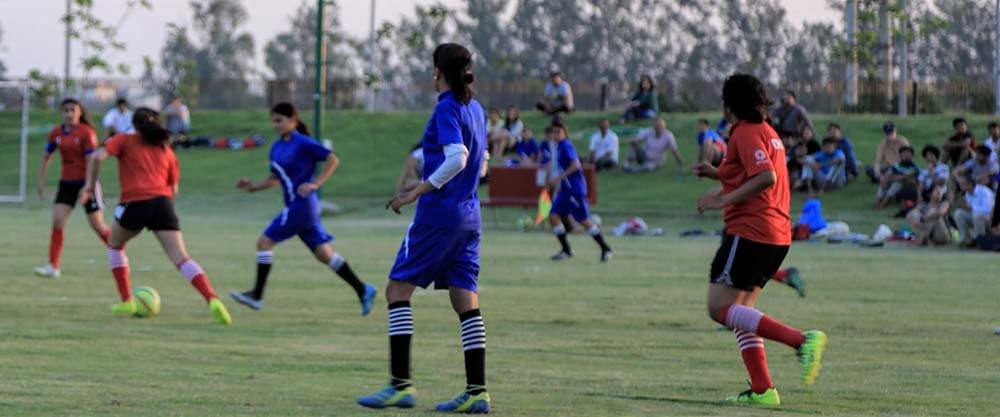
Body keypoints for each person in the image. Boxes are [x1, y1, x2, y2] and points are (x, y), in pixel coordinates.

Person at [357, 43, 491, 413]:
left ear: (439, 72)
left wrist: (418, 189)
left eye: (432, 69)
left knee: (397, 290)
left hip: (438, 218)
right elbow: (483, 161)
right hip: (469, 218)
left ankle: (400, 385)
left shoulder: (447, 107)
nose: (430, 75)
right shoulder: (476, 109)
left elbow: (459, 158)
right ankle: (477, 391)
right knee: (465, 298)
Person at [692, 73, 826, 406]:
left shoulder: (745, 133)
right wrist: (718, 173)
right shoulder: (768, 132)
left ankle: (801, 340)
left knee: (719, 308)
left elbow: (766, 177)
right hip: (776, 235)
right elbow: (754, 170)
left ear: (728, 106)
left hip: (752, 231)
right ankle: (763, 390)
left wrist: (723, 199)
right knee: (742, 312)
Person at [80, 107, 232, 324]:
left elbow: (96, 157)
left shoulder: (124, 139)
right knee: (181, 258)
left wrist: (89, 184)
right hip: (163, 204)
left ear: (133, 124)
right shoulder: (166, 150)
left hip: (135, 202)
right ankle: (212, 299)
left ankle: (127, 301)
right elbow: (174, 188)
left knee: (114, 245)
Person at [228, 102, 377, 313]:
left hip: (302, 205)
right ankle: (363, 289)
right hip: (299, 208)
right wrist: (252, 187)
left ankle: (257, 296)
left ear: (293, 121)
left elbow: (332, 159)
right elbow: (275, 179)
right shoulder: (276, 147)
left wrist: (316, 183)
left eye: (279, 120)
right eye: (273, 121)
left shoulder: (303, 143)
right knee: (325, 255)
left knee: (264, 243)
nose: (276, 125)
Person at [33, 98, 112, 278]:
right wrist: (40, 180)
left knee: (98, 226)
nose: (69, 114)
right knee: (58, 221)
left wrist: (87, 187)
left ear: (80, 112)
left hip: (87, 183)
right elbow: (47, 156)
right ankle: (53, 266)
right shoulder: (56, 133)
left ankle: (118, 253)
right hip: (67, 184)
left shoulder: (87, 133)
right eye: (66, 110)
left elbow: (91, 161)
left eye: (73, 110)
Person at [548, 122, 613, 262]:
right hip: (565, 190)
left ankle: (605, 248)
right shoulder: (558, 147)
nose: (556, 135)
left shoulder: (566, 146)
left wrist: (558, 178)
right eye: (554, 132)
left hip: (574, 190)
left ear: (565, 133)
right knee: (553, 216)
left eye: (559, 132)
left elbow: (575, 165)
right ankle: (566, 250)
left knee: (584, 221)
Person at [952, 178, 995, 247]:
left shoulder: (984, 191)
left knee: (977, 215)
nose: (961, 186)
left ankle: (979, 240)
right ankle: (965, 238)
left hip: (988, 219)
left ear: (970, 185)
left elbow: (988, 209)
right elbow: (969, 209)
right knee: (958, 213)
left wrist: (971, 207)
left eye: (963, 184)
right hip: (975, 218)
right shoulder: (967, 194)